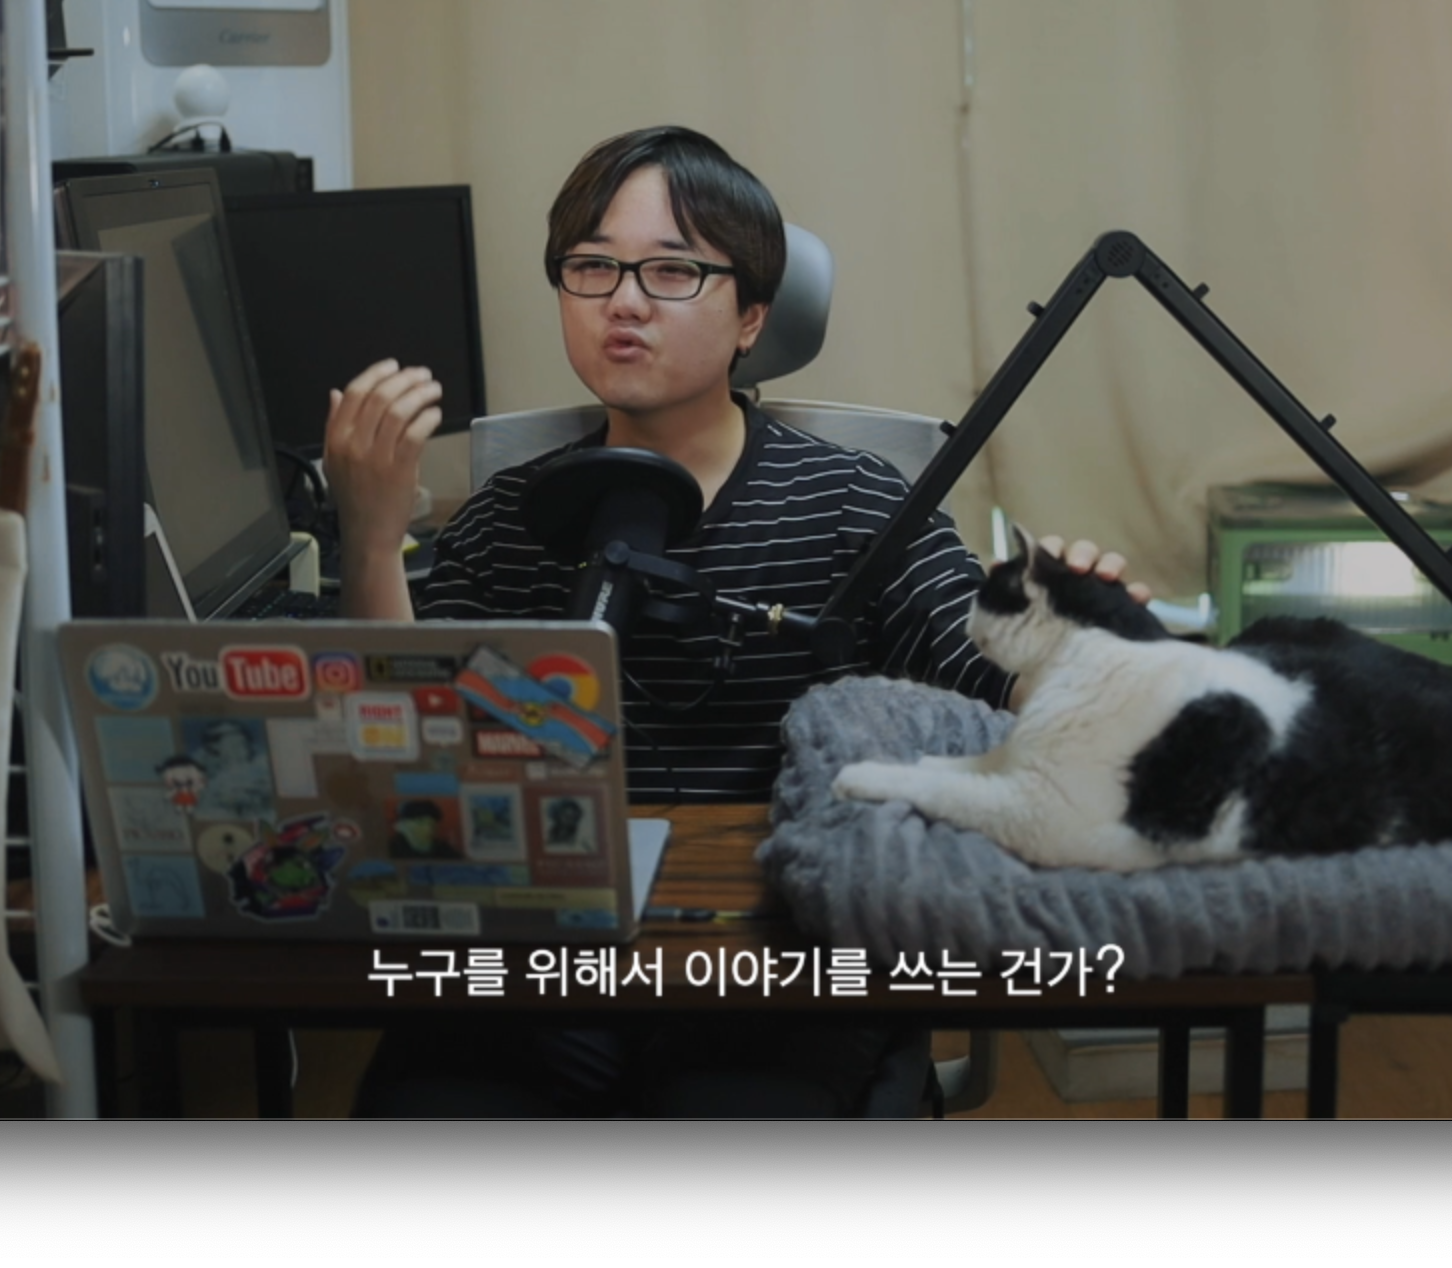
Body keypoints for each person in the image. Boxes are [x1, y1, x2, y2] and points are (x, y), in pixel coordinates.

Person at [323, 126, 1143, 1114]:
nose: (624, 301)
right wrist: (371, 537)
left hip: (782, 972)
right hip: (543, 968)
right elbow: (400, 760)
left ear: (752, 316)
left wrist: (1072, 645)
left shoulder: (860, 508)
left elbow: (984, 673)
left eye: (672, 271)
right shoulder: (506, 520)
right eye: (592, 267)